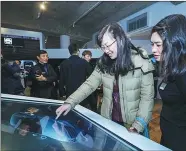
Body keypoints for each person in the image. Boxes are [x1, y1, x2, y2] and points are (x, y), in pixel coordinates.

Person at [56, 23, 154, 136]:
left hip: (132, 125)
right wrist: (70, 102)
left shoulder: (140, 60)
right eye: (103, 47)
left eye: (108, 45)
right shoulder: (103, 63)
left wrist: (139, 125)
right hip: (109, 121)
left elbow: (147, 97)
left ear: (120, 39)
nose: (106, 50)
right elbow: (89, 84)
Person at [150, 14, 186, 151]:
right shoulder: (173, 67)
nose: (153, 49)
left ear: (175, 43)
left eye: (158, 44)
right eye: (152, 44)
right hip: (168, 135)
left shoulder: (183, 73)